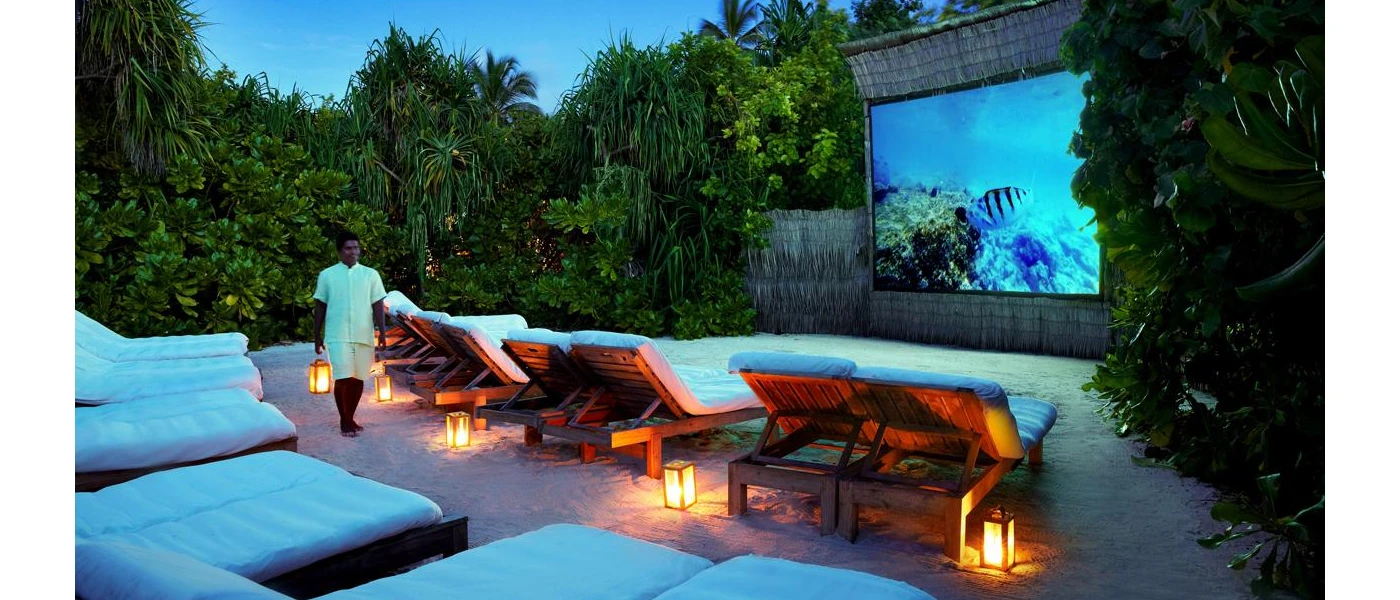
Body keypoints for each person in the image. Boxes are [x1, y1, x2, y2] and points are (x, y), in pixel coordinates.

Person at [312, 231, 388, 437]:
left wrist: (382, 331)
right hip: (337, 334)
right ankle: (344, 421)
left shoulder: (370, 275)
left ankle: (350, 417)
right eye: (348, 248)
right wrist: (317, 335)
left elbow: (378, 304)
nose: (353, 252)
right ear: (339, 252)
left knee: (359, 378)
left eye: (356, 247)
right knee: (343, 377)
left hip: (364, 333)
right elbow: (320, 305)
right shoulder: (327, 275)